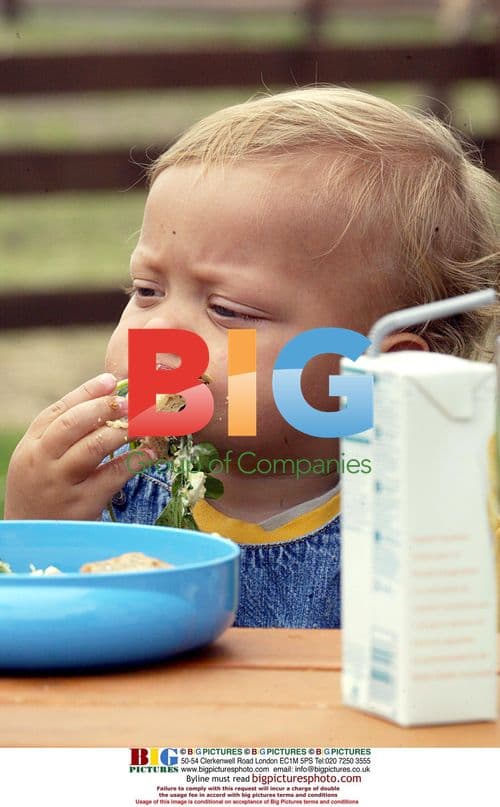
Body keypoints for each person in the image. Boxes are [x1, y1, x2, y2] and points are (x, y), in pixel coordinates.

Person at [4, 86, 499, 628]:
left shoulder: (429, 529)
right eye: (146, 290)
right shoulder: (98, 489)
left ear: (381, 372)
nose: (159, 332)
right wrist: (36, 529)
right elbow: (48, 641)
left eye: (226, 309)